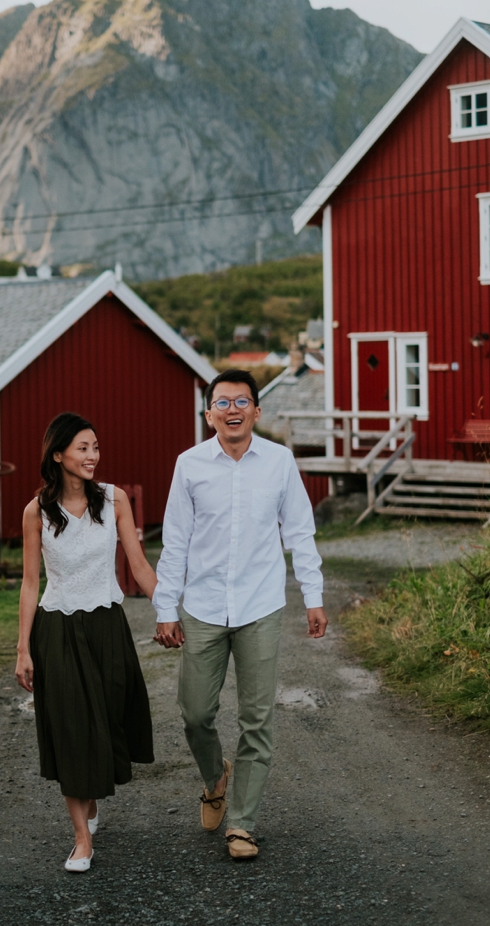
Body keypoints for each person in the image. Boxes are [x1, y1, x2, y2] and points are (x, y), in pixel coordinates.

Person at [152, 368, 326, 861]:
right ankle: (215, 777)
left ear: (257, 410)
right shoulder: (189, 465)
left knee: (257, 719)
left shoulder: (279, 461)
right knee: (195, 714)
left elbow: (300, 532)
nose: (233, 410)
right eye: (222, 402)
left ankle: (243, 825)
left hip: (260, 606)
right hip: (203, 606)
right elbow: (176, 542)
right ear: (209, 413)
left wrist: (313, 596)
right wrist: (166, 607)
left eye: (242, 401)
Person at [15, 412, 159, 872]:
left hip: (107, 626)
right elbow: (30, 582)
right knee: (72, 730)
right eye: (82, 447)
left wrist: (170, 608)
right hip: (56, 631)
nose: (93, 456)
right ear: (58, 454)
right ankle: (81, 838)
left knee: (111, 720)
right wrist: (22, 648)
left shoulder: (114, 500)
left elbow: (137, 564)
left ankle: (92, 799)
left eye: (96, 447)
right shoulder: (35, 512)